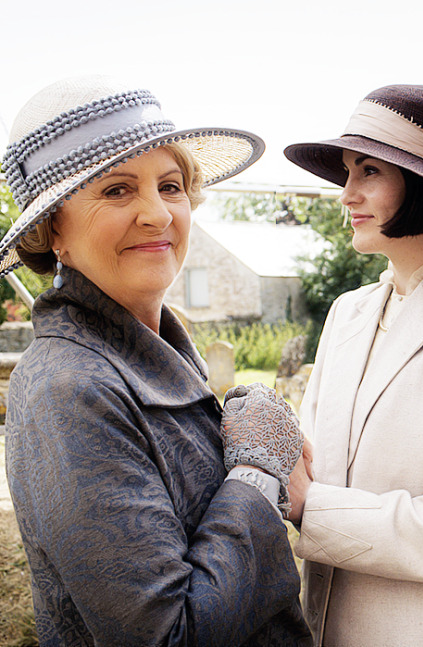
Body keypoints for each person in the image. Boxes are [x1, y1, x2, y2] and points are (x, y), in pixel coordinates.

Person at [1, 75, 312, 646]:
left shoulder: (152, 353)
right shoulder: (69, 390)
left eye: (170, 186)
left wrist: (249, 420)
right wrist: (257, 471)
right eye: (116, 190)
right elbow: (168, 637)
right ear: (52, 233)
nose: (157, 214)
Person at [282, 85, 423, 646]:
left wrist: (309, 504)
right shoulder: (346, 313)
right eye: (347, 172)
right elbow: (305, 462)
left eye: (369, 172)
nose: (345, 194)